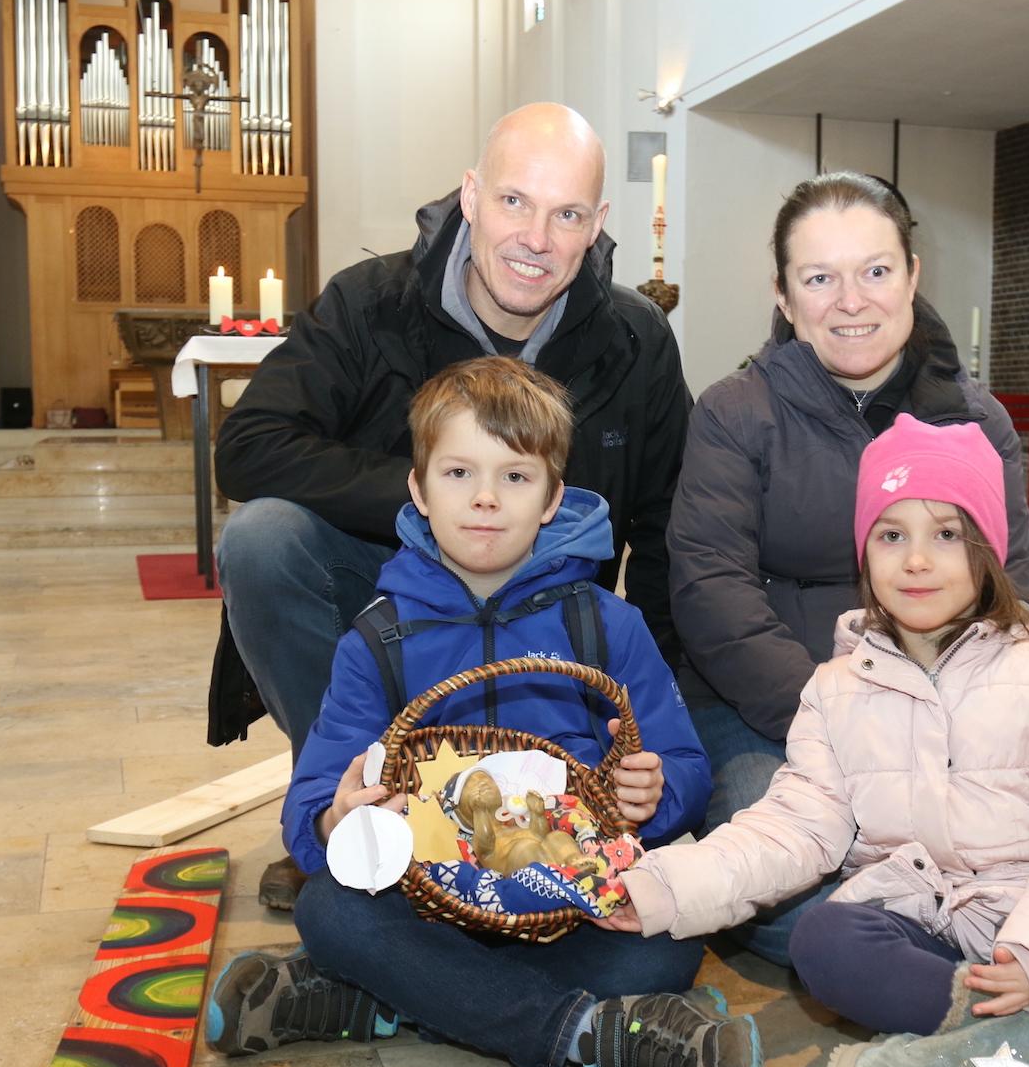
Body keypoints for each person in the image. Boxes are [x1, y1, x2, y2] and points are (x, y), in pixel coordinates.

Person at [602, 413, 1029, 1067]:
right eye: (890, 534)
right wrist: (665, 884)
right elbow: (793, 826)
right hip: (929, 933)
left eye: (945, 534)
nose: (915, 560)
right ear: (863, 553)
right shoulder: (835, 689)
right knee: (824, 941)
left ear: (988, 550)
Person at [206, 357, 767, 1067]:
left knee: (661, 947)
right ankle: (596, 1037)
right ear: (418, 489)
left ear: (551, 499)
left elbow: (680, 768)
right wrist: (336, 819)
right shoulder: (380, 636)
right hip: (434, 900)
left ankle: (382, 998)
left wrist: (653, 790)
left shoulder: (605, 624)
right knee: (331, 909)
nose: (483, 497)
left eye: (514, 477)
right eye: (459, 471)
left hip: (568, 904)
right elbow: (310, 804)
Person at [209, 102, 692, 909]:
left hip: (551, 604)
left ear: (597, 224)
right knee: (261, 539)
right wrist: (433, 500)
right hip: (396, 581)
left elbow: (666, 523)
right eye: (513, 202)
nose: (535, 238)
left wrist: (646, 732)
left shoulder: (635, 341)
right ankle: (346, 802)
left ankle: (513, 833)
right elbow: (249, 444)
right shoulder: (372, 304)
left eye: (565, 214)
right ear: (469, 196)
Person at [666, 171, 1029, 965]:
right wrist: (839, 720)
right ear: (783, 293)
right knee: (782, 888)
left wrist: (957, 724)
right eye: (818, 277)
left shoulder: (977, 422)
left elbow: (1012, 592)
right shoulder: (735, 413)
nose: (850, 300)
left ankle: (967, 953)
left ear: (911, 275)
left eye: (874, 270)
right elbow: (711, 591)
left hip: (941, 709)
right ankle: (944, 972)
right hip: (770, 709)